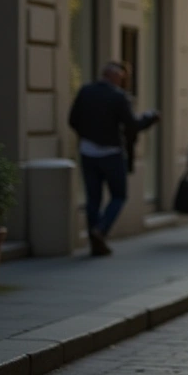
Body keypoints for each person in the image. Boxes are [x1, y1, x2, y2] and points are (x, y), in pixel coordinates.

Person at [68, 61, 160, 257]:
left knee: (93, 198)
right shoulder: (118, 97)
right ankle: (100, 230)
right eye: (121, 78)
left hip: (87, 152)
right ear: (115, 77)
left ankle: (95, 240)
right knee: (119, 195)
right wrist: (150, 118)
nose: (122, 82)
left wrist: (87, 136)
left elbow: (72, 120)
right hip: (111, 154)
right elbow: (132, 125)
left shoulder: (85, 91)